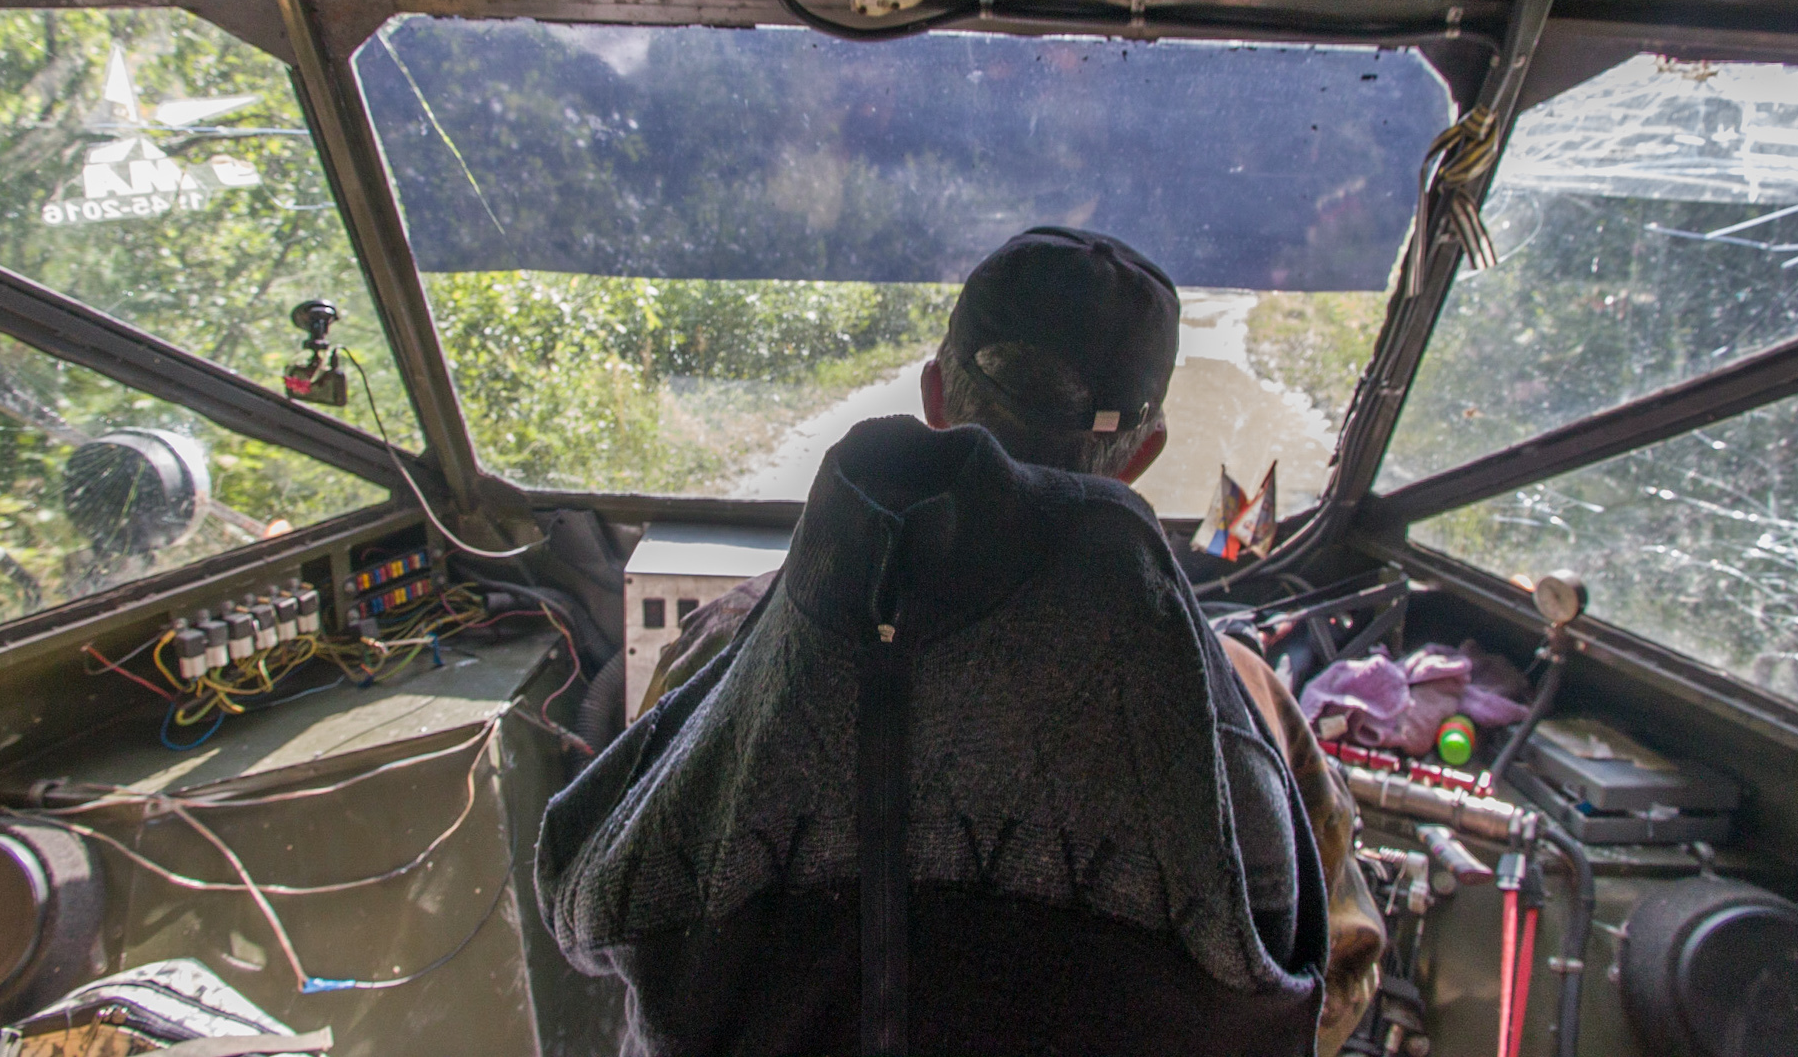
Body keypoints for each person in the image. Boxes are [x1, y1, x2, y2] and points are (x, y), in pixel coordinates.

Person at [537, 227, 1363, 1056]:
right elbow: (1324, 989)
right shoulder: (1239, 702)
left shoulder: (720, 655)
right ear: (1142, 456)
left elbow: (617, 908)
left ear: (935, 399)